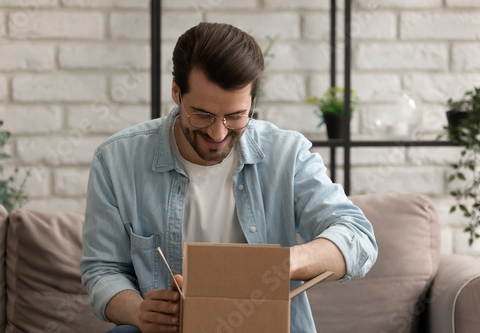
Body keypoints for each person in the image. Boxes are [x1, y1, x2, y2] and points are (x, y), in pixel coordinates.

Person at [80, 22, 378, 333]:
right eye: (203, 114)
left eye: (235, 116)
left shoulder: (287, 154)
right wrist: (140, 312)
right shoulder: (115, 161)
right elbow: (102, 269)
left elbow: (358, 237)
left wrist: (281, 265)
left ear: (251, 104)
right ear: (176, 92)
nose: (218, 133)